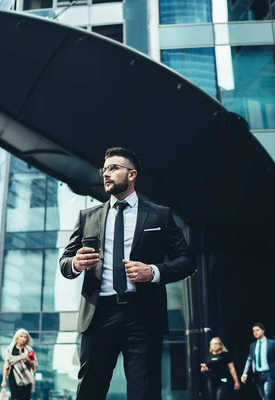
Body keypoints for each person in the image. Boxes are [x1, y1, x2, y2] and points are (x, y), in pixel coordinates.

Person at [60, 147, 194, 400]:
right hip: (98, 313)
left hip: (142, 315)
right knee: (89, 391)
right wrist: (76, 264)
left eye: (113, 168)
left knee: (144, 392)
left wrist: (153, 271)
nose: (106, 174)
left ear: (132, 174)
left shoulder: (159, 215)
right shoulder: (87, 216)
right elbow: (65, 263)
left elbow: (187, 261)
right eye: (104, 169)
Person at [241, 323, 275, 400]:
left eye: (257, 330)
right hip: (258, 375)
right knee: (264, 398)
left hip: (269, 374)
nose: (255, 332)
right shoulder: (252, 345)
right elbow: (249, 359)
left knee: (267, 395)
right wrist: (245, 373)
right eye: (253, 331)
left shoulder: (272, 343)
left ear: (263, 331)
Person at [1, 329, 38, 400]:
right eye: (21, 336)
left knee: (25, 397)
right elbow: (6, 366)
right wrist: (3, 381)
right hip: (13, 376)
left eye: (25, 337)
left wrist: (27, 359)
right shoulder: (10, 349)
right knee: (15, 397)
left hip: (27, 377)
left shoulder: (29, 350)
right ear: (17, 337)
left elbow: (34, 365)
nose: (23, 339)